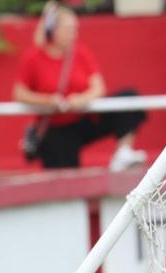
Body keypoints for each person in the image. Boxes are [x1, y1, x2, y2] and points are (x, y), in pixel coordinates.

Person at [13, 1, 148, 171]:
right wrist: (49, 101)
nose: (74, 35)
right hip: (56, 128)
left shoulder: (82, 53)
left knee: (129, 98)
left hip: (83, 118)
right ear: (53, 30)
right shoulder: (33, 58)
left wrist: (80, 100)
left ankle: (123, 152)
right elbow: (19, 93)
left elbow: (98, 88)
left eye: (75, 29)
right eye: (69, 29)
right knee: (65, 183)